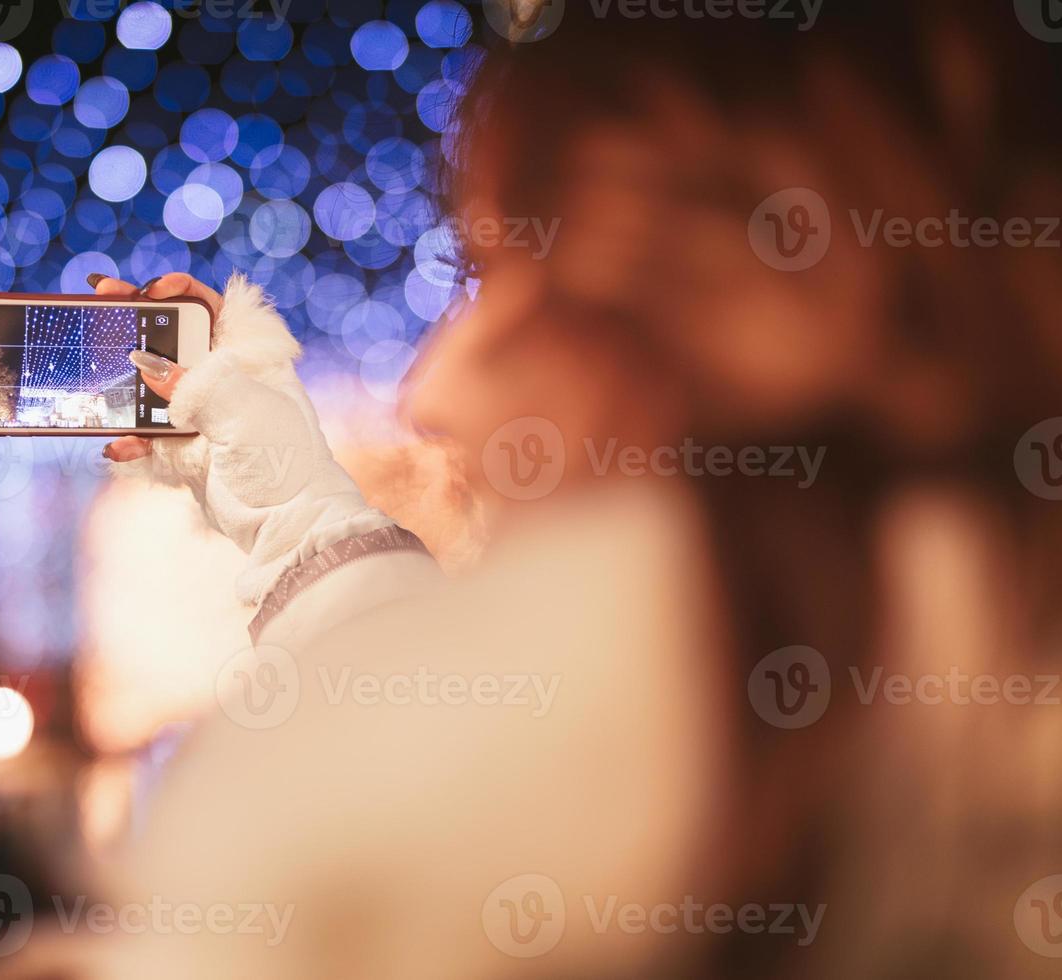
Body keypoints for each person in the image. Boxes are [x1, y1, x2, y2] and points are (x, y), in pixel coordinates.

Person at [78, 3, 1062, 976]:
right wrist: (291, 504)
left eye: (502, 274)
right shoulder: (930, 739)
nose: (432, 388)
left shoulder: (364, 869)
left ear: (735, 309)